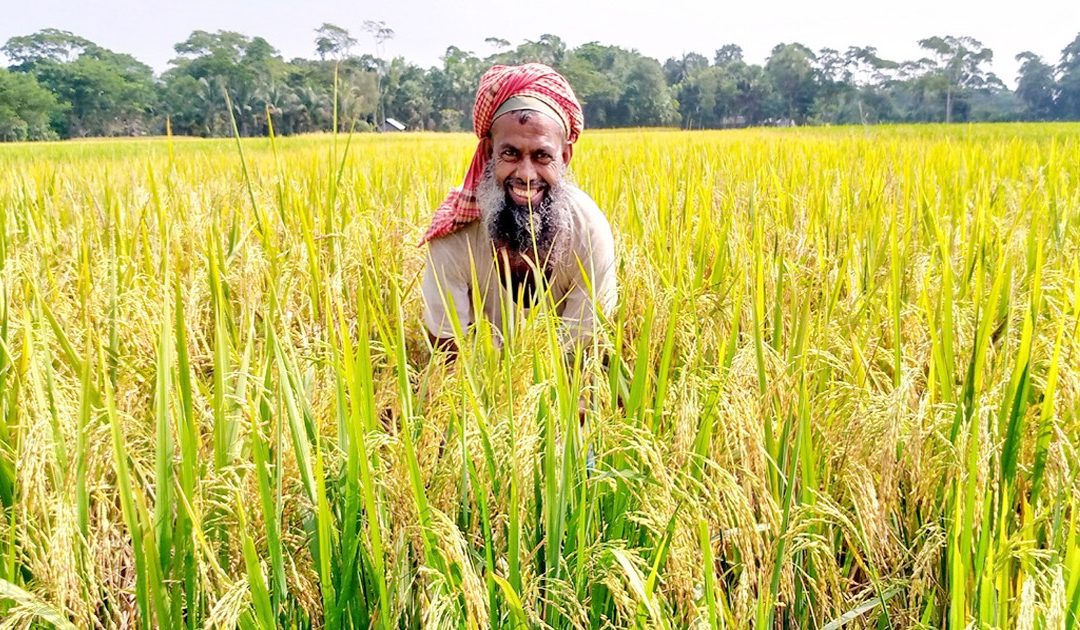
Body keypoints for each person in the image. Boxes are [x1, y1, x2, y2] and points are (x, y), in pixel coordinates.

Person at [419, 63, 616, 356]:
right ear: (488, 153)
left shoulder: (588, 231)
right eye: (510, 153)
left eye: (541, 156)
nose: (526, 174)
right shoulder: (454, 238)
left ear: (564, 156)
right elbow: (448, 362)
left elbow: (583, 356)